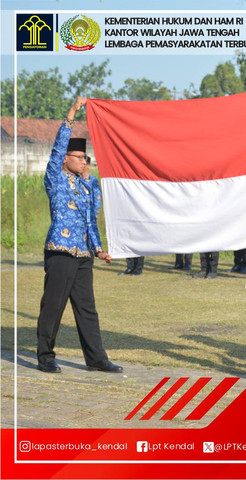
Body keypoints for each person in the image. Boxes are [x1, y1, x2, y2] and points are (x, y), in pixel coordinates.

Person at [36, 96, 122, 374]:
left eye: (86, 157)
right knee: (54, 305)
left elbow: (91, 220)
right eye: (80, 157)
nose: (85, 161)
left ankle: (96, 358)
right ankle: (46, 356)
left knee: (87, 309)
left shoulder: (88, 185)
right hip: (60, 251)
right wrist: (72, 114)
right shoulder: (55, 178)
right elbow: (59, 146)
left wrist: (98, 250)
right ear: (66, 159)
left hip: (83, 254)